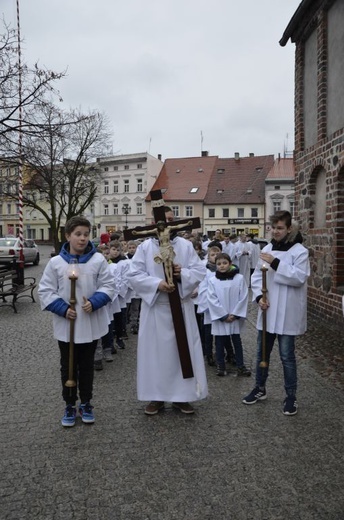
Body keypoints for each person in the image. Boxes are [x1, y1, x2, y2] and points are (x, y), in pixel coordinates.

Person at [128, 209, 208, 415]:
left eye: (172, 221)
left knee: (182, 353)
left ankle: (183, 397)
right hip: (155, 308)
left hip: (180, 307)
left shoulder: (185, 245)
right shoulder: (145, 247)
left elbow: (199, 271)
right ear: (154, 223)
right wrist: (157, 284)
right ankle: (157, 397)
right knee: (155, 356)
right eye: (164, 222)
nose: (168, 226)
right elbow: (134, 274)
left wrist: (183, 274)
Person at [38, 216, 114, 427]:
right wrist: (63, 309)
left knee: (87, 366)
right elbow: (45, 290)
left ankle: (87, 402)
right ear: (68, 235)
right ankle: (70, 404)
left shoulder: (97, 260)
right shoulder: (56, 263)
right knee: (68, 366)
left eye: (86, 234)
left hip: (89, 324)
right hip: (67, 325)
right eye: (77, 234)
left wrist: (95, 302)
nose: (82, 239)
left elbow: (109, 285)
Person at [243, 211, 310, 416]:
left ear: (289, 228)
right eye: (273, 227)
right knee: (262, 353)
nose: (276, 231)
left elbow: (299, 277)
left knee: (287, 356)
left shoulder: (300, 251)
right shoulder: (268, 248)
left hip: (288, 311)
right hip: (268, 310)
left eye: (280, 228)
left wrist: (275, 263)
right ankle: (260, 388)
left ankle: (291, 396)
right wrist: (258, 298)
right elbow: (256, 277)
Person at [207, 253, 251, 377]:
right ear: (215, 266)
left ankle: (240, 366)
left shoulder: (239, 278)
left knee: (237, 341)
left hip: (234, 316)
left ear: (230, 264)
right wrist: (223, 315)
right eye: (219, 264)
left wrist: (235, 314)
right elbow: (211, 298)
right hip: (221, 317)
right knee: (219, 342)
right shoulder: (213, 281)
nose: (222, 266)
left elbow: (243, 296)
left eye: (224, 263)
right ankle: (221, 366)